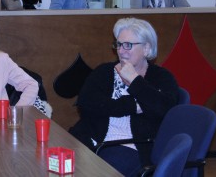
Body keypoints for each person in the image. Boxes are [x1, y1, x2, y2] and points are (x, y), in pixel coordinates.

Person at [69, 17, 179, 176]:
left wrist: (135, 81)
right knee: (55, 163)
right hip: (91, 138)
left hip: (131, 145)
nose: (121, 51)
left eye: (128, 45)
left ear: (146, 49)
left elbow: (164, 109)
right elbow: (86, 103)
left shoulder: (161, 77)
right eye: (119, 44)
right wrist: (133, 105)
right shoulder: (104, 71)